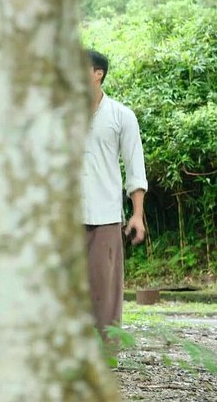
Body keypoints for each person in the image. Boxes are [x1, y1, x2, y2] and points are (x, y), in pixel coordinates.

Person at [82, 49, 148, 338]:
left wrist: (137, 215)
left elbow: (135, 168)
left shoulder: (122, 116)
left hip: (105, 216)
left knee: (105, 292)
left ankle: (106, 352)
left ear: (98, 74)